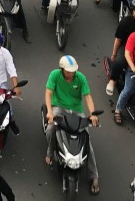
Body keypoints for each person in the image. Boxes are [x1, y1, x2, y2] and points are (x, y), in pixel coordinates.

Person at [44, 55, 101, 194]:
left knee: (87, 140)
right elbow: (48, 94)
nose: (71, 73)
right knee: (51, 129)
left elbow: (87, 97)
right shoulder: (54, 75)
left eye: (73, 71)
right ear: (62, 69)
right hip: (59, 108)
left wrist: (92, 114)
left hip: (76, 110)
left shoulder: (80, 78)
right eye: (69, 71)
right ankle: (50, 153)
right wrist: (50, 112)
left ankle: (94, 177)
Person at [106, 0, 135, 95]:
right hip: (127, 47)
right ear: (132, 12)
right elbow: (118, 39)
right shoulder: (125, 22)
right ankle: (113, 80)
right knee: (118, 63)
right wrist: (114, 54)